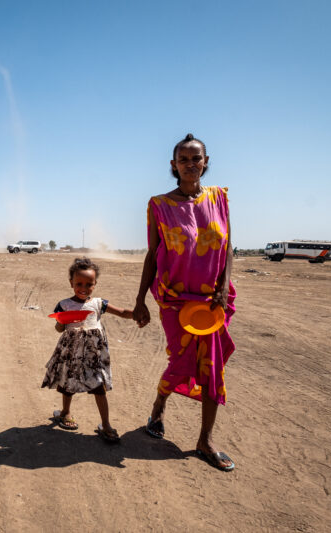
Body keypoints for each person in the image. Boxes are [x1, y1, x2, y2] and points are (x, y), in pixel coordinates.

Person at [132, 133, 237, 471]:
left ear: (206, 163)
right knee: (180, 363)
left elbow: (228, 247)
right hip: (175, 300)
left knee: (213, 368)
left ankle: (205, 440)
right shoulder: (159, 205)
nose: (191, 164)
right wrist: (139, 301)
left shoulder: (220, 198)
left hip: (211, 301)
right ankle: (159, 406)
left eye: (196, 158)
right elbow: (153, 254)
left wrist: (222, 288)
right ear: (173, 165)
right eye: (184, 159)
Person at [42, 257, 137, 443]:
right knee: (68, 383)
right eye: (79, 283)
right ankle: (65, 412)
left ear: (95, 284)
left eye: (89, 284)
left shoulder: (99, 304)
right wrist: (63, 323)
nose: (83, 287)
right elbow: (58, 328)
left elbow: (123, 312)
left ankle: (106, 424)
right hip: (71, 351)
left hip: (95, 354)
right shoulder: (64, 305)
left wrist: (137, 314)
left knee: (99, 386)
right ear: (71, 283)